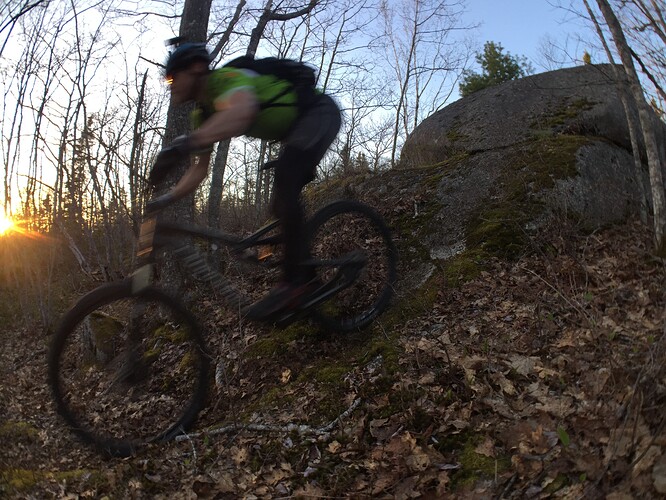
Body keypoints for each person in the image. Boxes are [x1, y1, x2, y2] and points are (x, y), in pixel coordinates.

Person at [148, 42, 342, 320]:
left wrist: (184, 144)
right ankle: (307, 277)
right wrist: (166, 199)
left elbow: (242, 112)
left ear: (196, 68)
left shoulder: (225, 79)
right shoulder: (201, 114)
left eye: (171, 77)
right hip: (297, 129)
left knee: (286, 182)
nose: (170, 85)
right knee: (280, 205)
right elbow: (199, 170)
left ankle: (296, 284)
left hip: (320, 112)